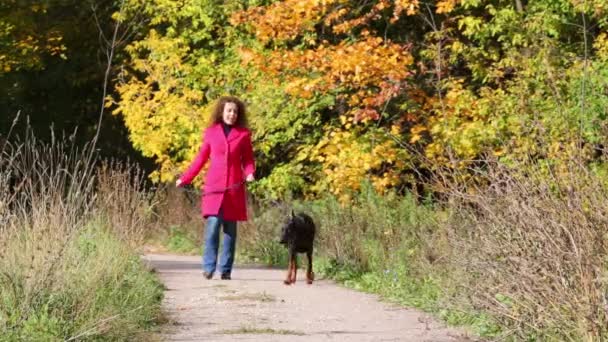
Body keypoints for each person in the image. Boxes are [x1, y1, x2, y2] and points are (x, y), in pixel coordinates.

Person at [176, 96, 255, 280]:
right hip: (214, 188)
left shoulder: (243, 135)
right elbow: (200, 158)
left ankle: (225, 270)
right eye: (229, 110)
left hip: (234, 190)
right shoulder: (211, 132)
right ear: (222, 112)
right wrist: (185, 178)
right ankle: (209, 267)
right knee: (212, 225)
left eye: (235, 111)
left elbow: (248, 160)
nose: (232, 114)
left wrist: (250, 173)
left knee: (230, 232)